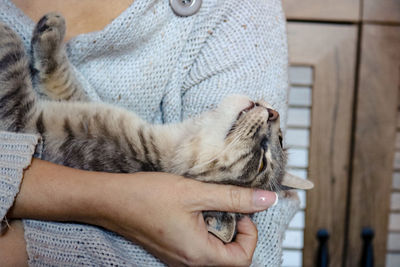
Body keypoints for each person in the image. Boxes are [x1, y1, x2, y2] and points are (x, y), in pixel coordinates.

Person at [0, 0, 299, 265]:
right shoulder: (141, 153)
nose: (272, 119)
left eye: (261, 157)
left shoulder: (238, 11)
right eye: (279, 140)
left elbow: (249, 258)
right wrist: (116, 204)